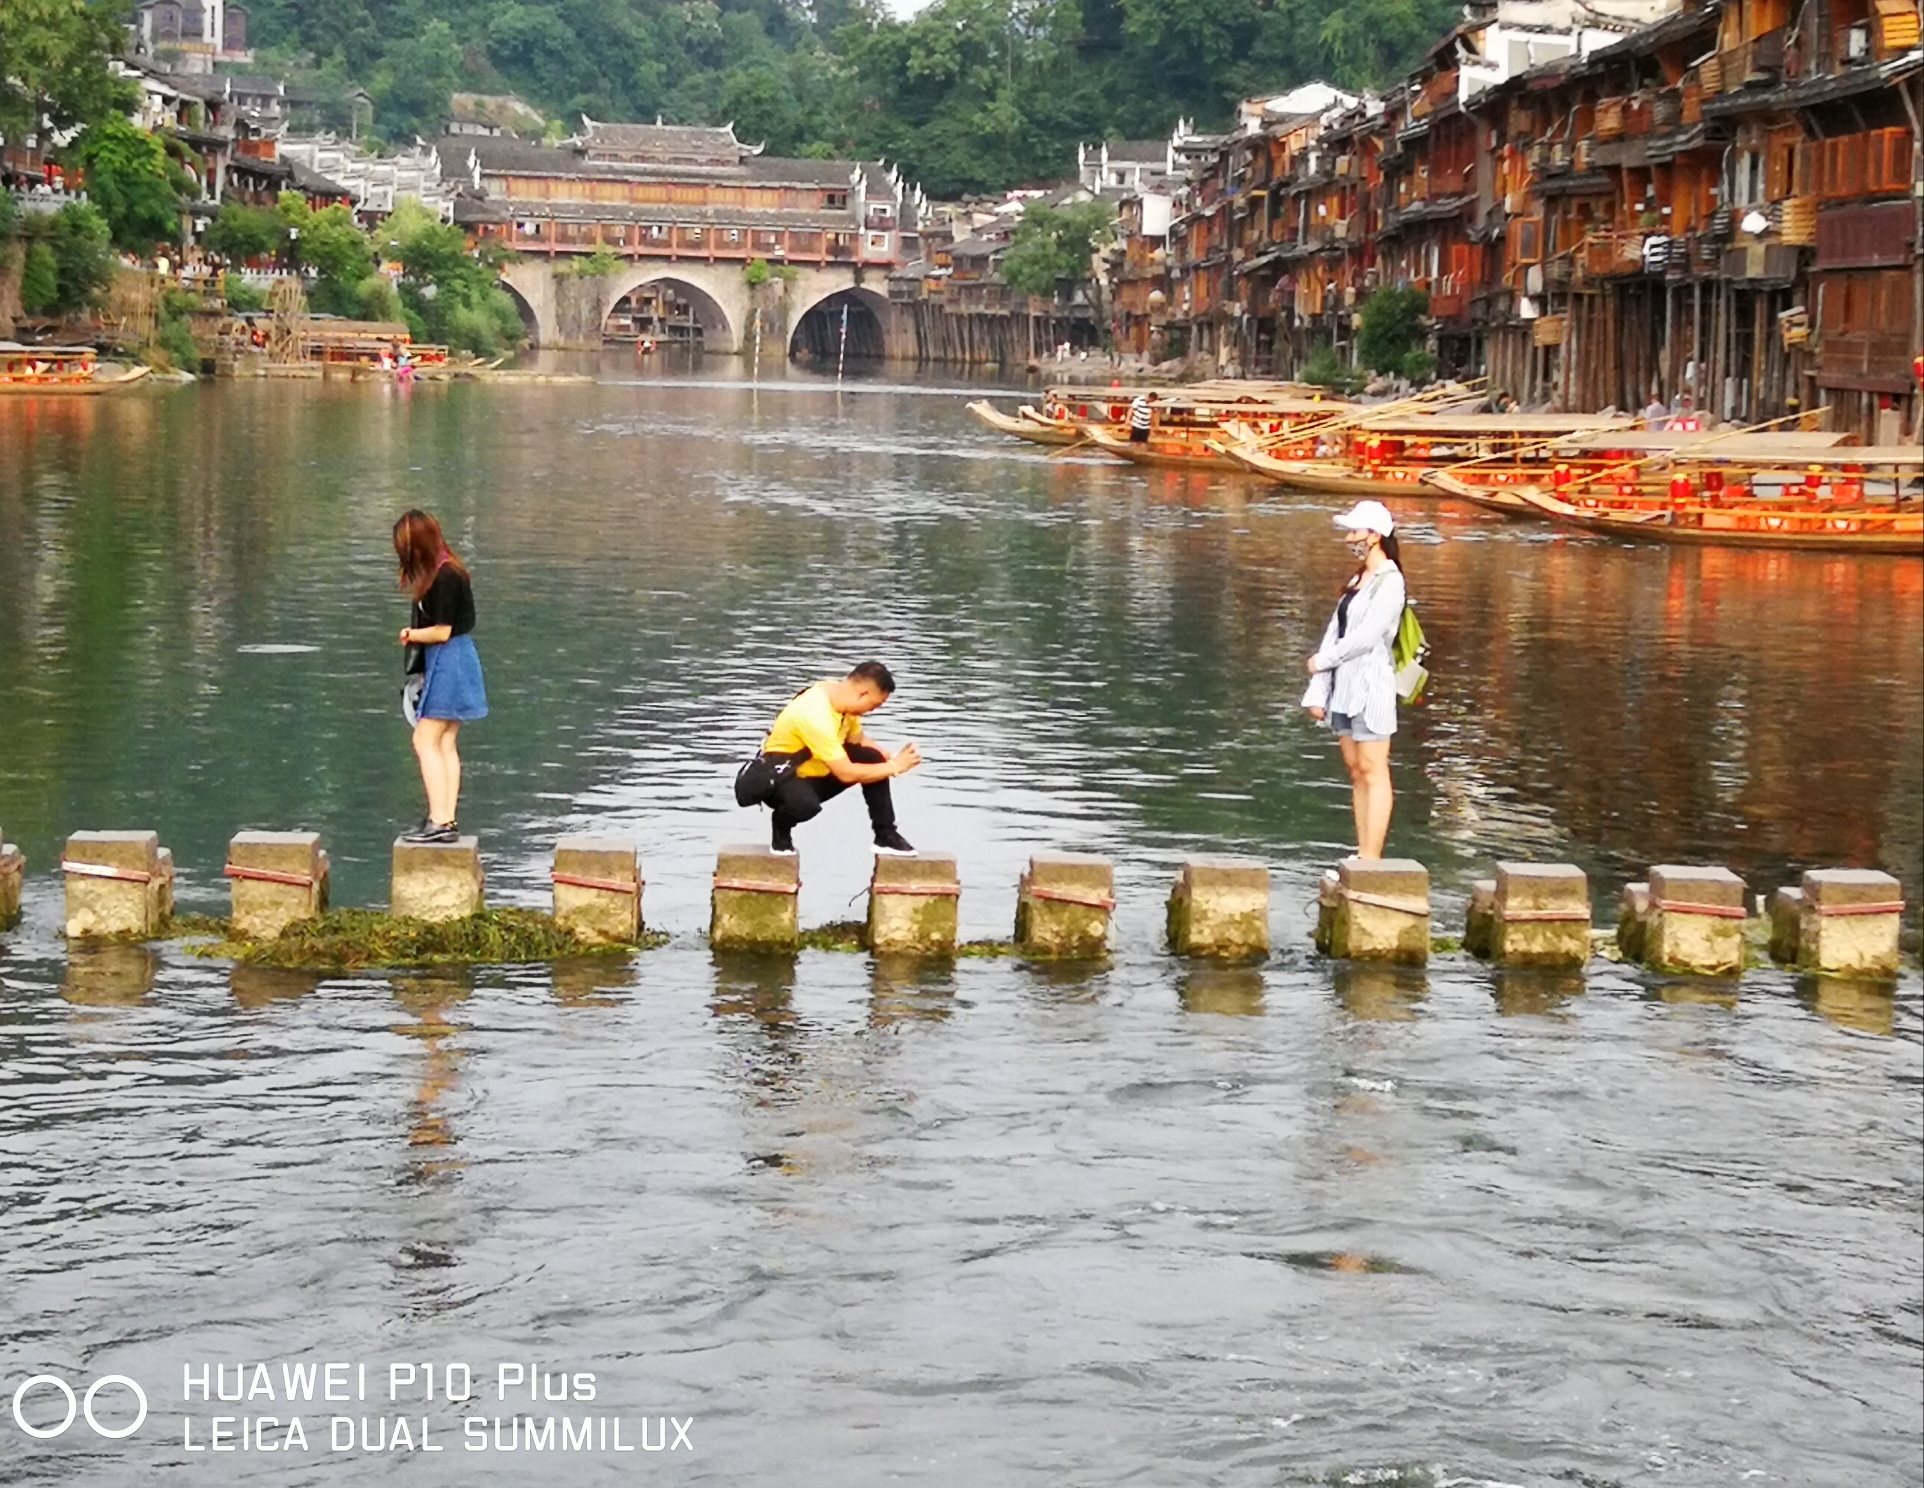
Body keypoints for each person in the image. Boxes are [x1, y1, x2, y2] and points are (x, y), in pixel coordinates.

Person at [1302, 500, 1406, 861]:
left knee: (1374, 769)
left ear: (1375, 536)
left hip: (1372, 688)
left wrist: (1323, 661)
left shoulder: (1390, 582)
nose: (1349, 539)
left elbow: (1367, 637)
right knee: (1356, 769)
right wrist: (1318, 689)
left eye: (1355, 532)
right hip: (1343, 689)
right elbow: (1336, 631)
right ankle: (1362, 851)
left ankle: (1371, 857)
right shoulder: (1356, 580)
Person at [749, 663, 921, 856]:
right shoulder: (814, 714)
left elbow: (859, 741)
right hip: (781, 779)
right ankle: (781, 826)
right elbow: (845, 773)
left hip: (815, 771)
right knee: (805, 806)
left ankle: (885, 835)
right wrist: (894, 767)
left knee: (872, 758)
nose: (872, 711)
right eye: (874, 705)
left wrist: (892, 757)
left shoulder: (839, 696)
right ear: (862, 694)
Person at [394, 510, 487, 844]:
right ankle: (445, 820)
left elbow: (443, 631)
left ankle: (439, 820)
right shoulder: (449, 569)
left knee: (425, 739)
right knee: (445, 741)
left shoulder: (445, 576)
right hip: (456, 659)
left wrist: (410, 635)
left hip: (450, 659)